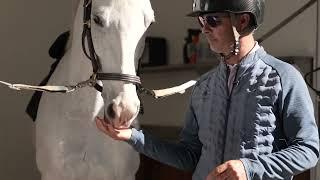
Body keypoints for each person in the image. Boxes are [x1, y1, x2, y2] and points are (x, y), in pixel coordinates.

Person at [95, 0, 320, 179]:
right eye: (201, 21)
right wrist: (132, 137)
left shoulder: (284, 77)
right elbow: (189, 156)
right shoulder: (204, 87)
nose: (204, 30)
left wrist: (249, 169)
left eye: (212, 20)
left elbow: (308, 150)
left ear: (242, 21)